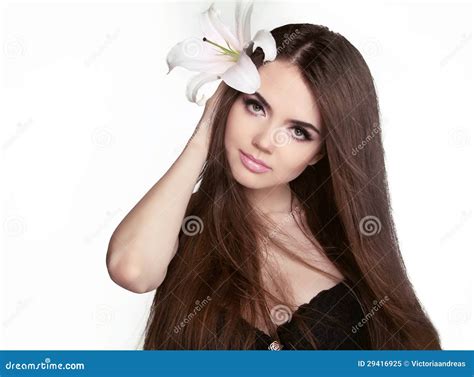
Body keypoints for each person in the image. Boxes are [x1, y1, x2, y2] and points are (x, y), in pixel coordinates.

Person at [106, 23, 442, 350]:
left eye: (299, 132)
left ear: (320, 152)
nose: (265, 141)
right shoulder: (181, 222)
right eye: (255, 106)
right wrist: (204, 132)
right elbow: (132, 270)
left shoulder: (348, 244)